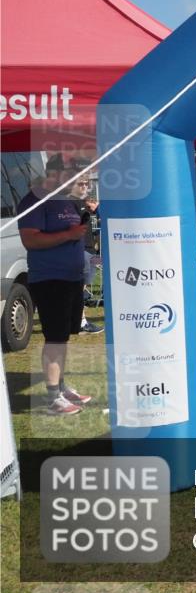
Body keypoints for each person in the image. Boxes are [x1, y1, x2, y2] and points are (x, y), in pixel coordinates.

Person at [17, 156, 93, 415]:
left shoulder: (63, 199)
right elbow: (31, 240)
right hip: (50, 279)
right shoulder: (34, 200)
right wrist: (69, 235)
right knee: (54, 338)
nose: (74, 177)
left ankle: (60, 387)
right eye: (70, 171)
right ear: (55, 172)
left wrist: (79, 227)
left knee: (63, 337)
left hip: (72, 278)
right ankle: (52, 399)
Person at [67, 175, 103, 334]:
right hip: (80, 250)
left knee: (84, 285)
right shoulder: (71, 202)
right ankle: (80, 322)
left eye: (86, 184)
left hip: (90, 250)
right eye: (80, 184)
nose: (84, 187)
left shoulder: (83, 203)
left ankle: (76, 320)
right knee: (78, 288)